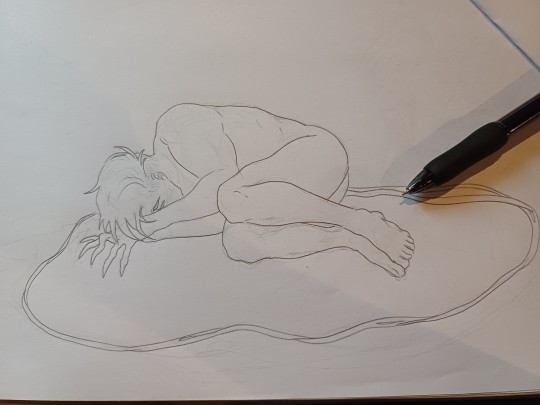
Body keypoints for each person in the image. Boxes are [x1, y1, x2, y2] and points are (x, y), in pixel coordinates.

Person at [80, 104, 414, 278]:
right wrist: (152, 233)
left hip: (317, 156)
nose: (167, 211)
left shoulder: (175, 128)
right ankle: (347, 239)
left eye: (155, 207)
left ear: (149, 177)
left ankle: (360, 221)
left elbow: (219, 182)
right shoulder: (184, 192)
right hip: (293, 201)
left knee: (232, 195)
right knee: (237, 243)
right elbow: (212, 221)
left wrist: (159, 223)